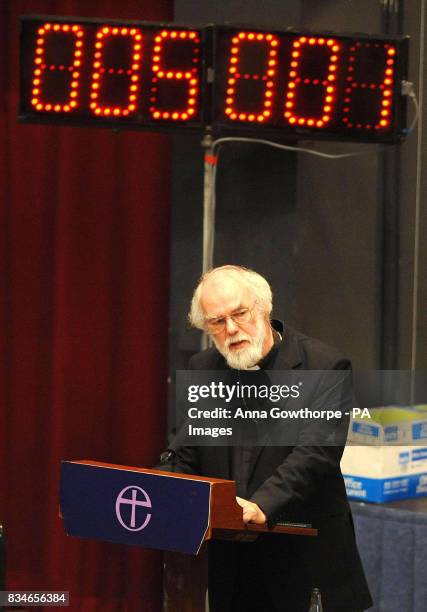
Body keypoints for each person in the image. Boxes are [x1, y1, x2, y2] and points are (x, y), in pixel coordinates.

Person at [161, 265, 372, 612]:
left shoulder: (323, 365)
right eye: (216, 322)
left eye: (239, 314)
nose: (230, 329)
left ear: (263, 307)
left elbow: (316, 453)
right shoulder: (203, 368)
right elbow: (185, 449)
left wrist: (263, 504)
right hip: (232, 566)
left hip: (304, 562)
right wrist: (164, 491)